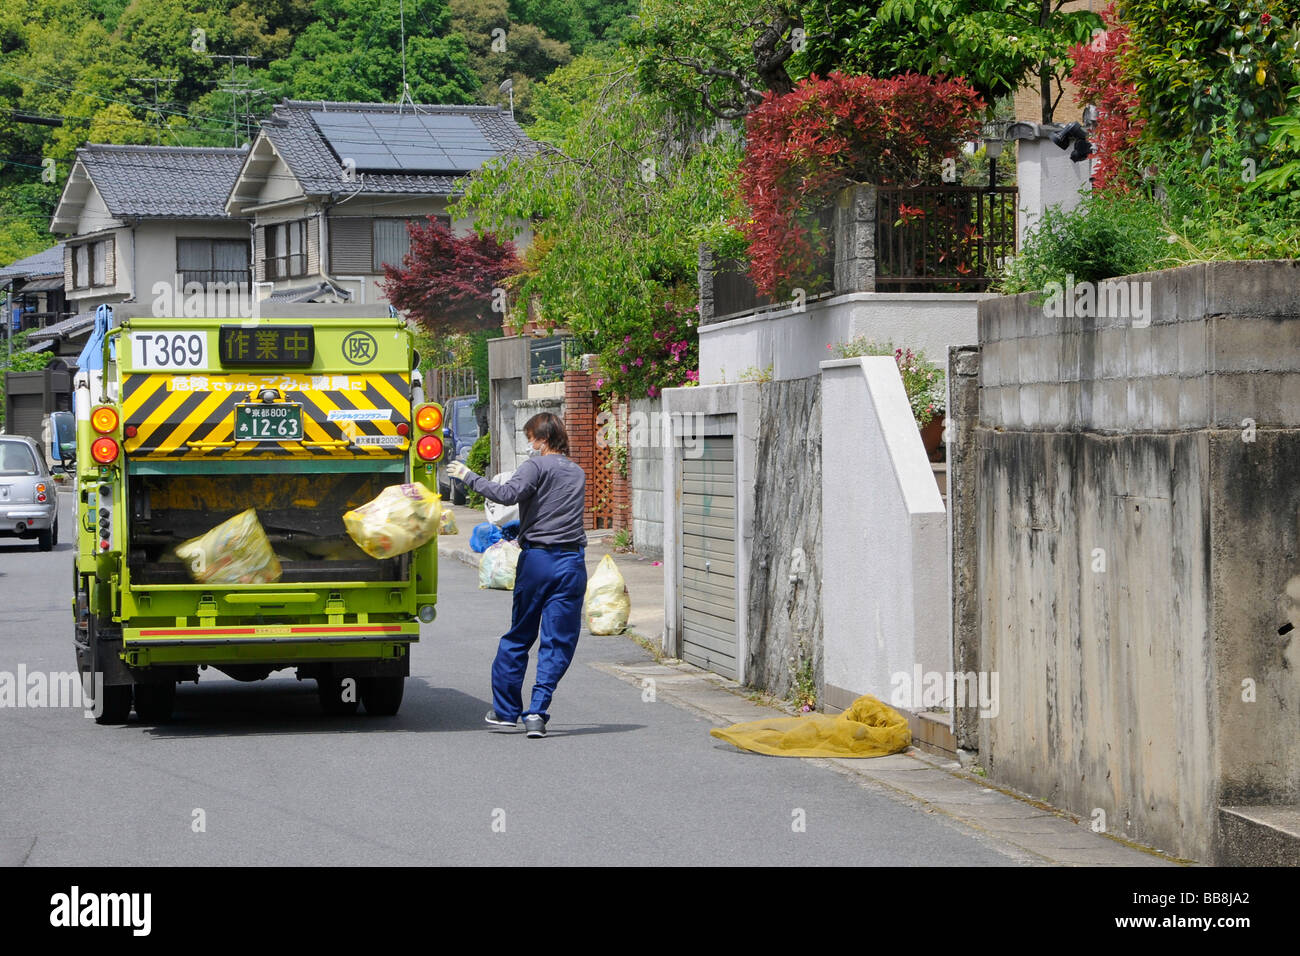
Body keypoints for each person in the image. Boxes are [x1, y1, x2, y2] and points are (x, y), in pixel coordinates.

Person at [447, 412, 587, 738]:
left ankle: (507, 712)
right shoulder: (577, 472)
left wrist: (469, 477)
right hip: (572, 563)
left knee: (520, 636)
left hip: (538, 560)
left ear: (542, 438)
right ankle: (537, 712)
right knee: (558, 641)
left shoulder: (535, 466)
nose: (529, 444)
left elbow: (508, 495)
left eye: (530, 437)